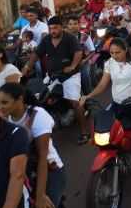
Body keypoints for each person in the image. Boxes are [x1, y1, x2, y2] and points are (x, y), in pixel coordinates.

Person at [0, 83, 65, 208]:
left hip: (49, 170)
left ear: (19, 99)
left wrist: (40, 196)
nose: (0, 107)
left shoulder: (38, 116)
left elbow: (43, 157)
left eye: (5, 103)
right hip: (20, 172)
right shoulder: (3, 118)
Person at [22, 16, 89, 145]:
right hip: (53, 75)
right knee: (41, 99)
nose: (53, 31)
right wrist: (26, 68)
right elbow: (36, 54)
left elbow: (78, 53)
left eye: (55, 28)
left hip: (70, 76)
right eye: (51, 28)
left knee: (75, 102)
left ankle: (84, 132)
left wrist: (73, 66)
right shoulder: (46, 40)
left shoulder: (70, 38)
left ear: (61, 27)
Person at [83, 38, 131, 134]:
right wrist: (88, 96)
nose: (114, 56)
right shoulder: (109, 63)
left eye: (118, 52)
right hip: (117, 104)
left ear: (125, 50)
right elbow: (102, 85)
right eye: (112, 53)